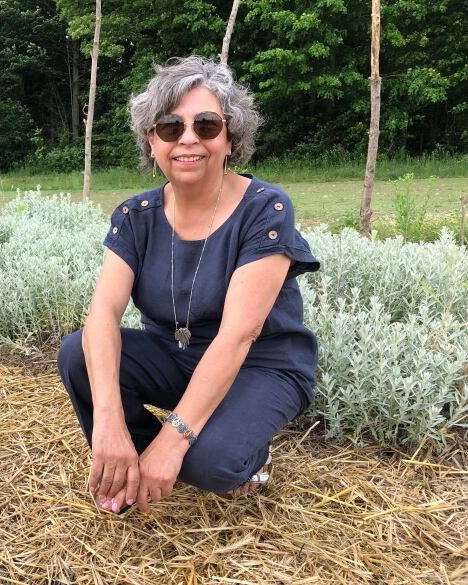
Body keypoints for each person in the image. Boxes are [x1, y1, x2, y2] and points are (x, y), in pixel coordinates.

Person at [57, 56, 320, 514]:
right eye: (170, 127)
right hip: (176, 358)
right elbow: (102, 314)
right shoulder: (135, 217)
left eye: (206, 124)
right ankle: (135, 465)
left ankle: (240, 454)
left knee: (207, 463)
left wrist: (174, 440)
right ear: (151, 141)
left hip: (259, 366)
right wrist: (109, 421)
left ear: (230, 136)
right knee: (78, 351)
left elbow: (240, 334)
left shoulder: (265, 210)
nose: (189, 139)